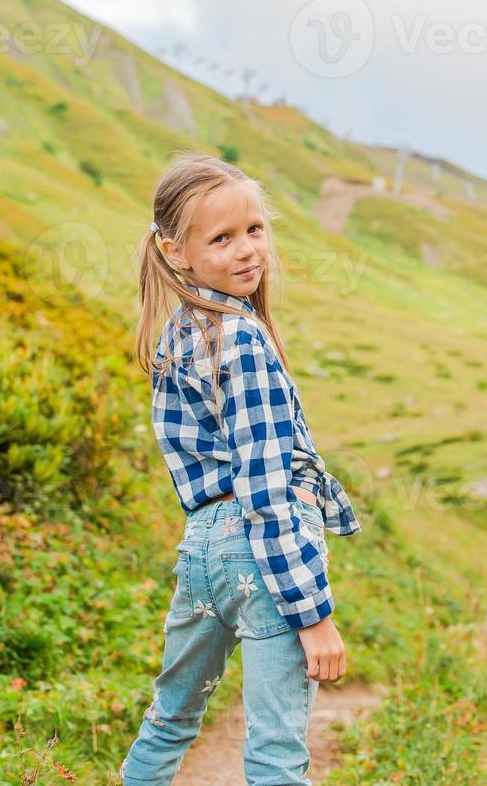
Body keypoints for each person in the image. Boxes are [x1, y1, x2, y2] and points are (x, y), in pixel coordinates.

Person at [120, 152, 362, 785]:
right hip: (260, 551)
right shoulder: (242, 336)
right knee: (276, 753)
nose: (248, 250)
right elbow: (266, 485)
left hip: (202, 548)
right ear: (176, 252)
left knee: (170, 717)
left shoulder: (178, 331)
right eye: (222, 238)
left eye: (254, 229)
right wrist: (315, 615)